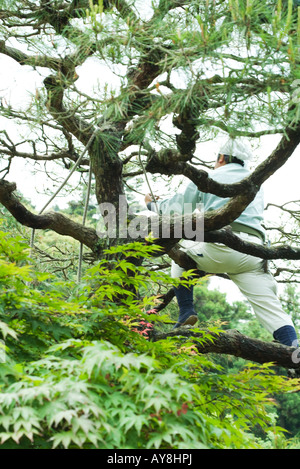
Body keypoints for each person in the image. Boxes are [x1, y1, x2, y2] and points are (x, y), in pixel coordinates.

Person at [145, 138, 298, 347]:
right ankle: (293, 348)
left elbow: (178, 208)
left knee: (178, 254)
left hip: (217, 247)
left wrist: (153, 204)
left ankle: (186, 312)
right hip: (253, 252)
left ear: (222, 158)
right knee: (269, 307)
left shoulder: (209, 177)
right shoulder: (256, 182)